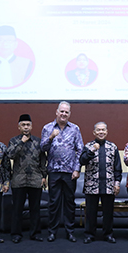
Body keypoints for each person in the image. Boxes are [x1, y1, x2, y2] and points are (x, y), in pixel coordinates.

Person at [41, 101, 84, 242]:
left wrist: (77, 169)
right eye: (62, 111)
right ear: (57, 112)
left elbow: (80, 150)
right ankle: (52, 232)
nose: (64, 114)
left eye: (67, 112)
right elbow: (42, 148)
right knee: (53, 203)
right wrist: (51, 137)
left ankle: (70, 232)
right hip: (53, 171)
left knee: (69, 203)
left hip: (70, 172)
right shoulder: (47, 128)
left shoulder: (75, 128)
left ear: (69, 114)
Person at [79, 122, 122, 244]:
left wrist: (117, 183)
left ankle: (108, 234)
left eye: (103, 130)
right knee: (91, 212)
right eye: (98, 130)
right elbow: (82, 160)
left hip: (108, 185)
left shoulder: (112, 147)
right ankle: (89, 235)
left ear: (107, 132)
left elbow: (117, 167)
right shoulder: (88, 146)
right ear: (94, 132)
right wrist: (92, 150)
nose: (101, 132)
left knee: (108, 213)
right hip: (92, 185)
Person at [7, 114, 47, 243]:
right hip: (19, 180)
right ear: (19, 126)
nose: (26, 127)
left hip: (35, 179)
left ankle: (35, 233)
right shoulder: (14, 141)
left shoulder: (38, 141)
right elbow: (10, 155)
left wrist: (44, 176)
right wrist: (21, 142)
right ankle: (16, 234)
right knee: (17, 208)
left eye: (28, 125)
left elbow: (43, 160)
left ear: (31, 126)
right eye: (23, 125)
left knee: (35, 208)